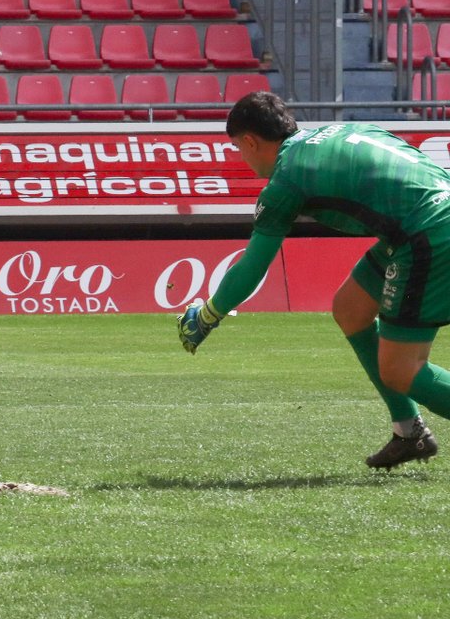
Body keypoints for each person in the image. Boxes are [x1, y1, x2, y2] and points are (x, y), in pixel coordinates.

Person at [177, 90, 450, 469]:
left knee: (401, 369)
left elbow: (253, 267)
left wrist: (208, 314)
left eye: (239, 147)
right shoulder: (335, 131)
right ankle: (409, 432)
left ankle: (411, 429)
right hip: (423, 222)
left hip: (427, 234)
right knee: (351, 310)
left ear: (251, 141)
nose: (242, 157)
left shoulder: (285, 181)